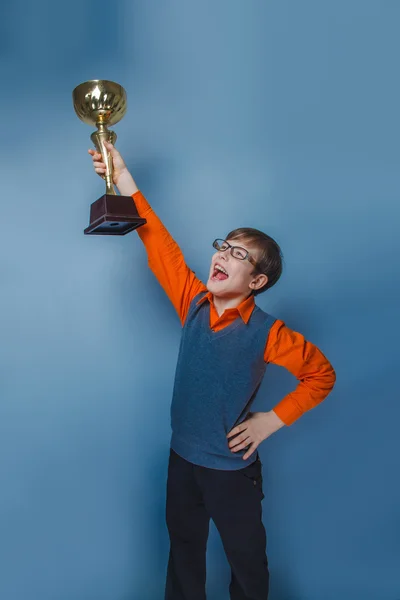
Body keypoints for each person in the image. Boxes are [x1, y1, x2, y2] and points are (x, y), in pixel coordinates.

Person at [89, 142, 336, 600]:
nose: (223, 255)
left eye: (239, 255)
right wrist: (121, 174)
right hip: (182, 459)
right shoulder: (192, 302)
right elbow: (157, 239)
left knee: (245, 560)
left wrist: (272, 420)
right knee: (184, 551)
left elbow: (321, 374)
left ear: (257, 282)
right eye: (224, 246)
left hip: (230, 472)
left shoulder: (269, 333)